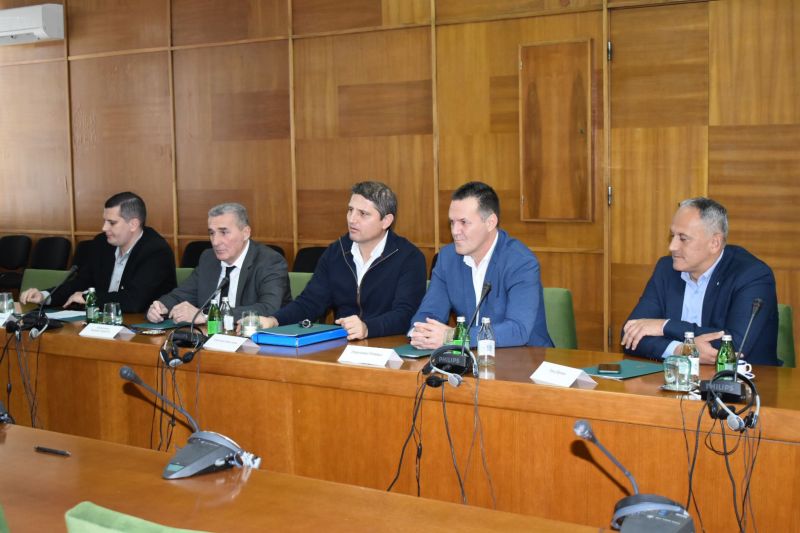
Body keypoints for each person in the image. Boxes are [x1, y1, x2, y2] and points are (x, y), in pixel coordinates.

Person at [259, 181, 427, 340]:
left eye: (363, 214)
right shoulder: (336, 252)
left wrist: (367, 328)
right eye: (350, 210)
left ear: (386, 221)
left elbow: (405, 314)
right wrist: (274, 321)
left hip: (389, 344)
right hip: (342, 342)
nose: (352, 219)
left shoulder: (409, 257)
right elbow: (310, 302)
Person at [621, 197, 779, 366]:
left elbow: (734, 346)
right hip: (677, 379)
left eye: (683, 238)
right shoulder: (666, 269)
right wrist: (680, 350)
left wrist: (664, 326)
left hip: (745, 379)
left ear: (714, 243)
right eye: (672, 236)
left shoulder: (752, 275)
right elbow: (630, 334)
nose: (672, 246)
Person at [409, 181, 553, 349]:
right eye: (452, 222)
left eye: (464, 222)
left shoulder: (520, 262)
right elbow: (429, 313)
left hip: (524, 357)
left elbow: (517, 330)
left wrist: (454, 337)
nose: (455, 231)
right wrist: (420, 332)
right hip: (470, 357)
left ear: (490, 222)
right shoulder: (447, 258)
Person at [19, 192, 175, 313]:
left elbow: (134, 300)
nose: (104, 228)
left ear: (133, 224)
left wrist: (88, 298)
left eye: (111, 223)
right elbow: (81, 283)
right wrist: (45, 296)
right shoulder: (102, 243)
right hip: (101, 322)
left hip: (141, 326)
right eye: (104, 221)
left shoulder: (156, 251)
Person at [146, 203, 290, 324]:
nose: (215, 242)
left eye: (224, 232)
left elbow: (269, 308)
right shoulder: (209, 258)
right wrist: (161, 307)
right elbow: (181, 295)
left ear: (245, 233)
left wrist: (207, 316)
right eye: (212, 233)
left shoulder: (269, 261)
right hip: (210, 339)